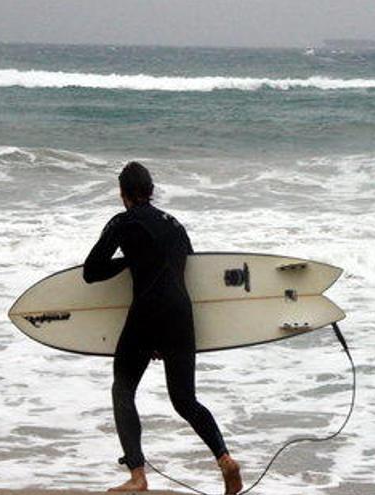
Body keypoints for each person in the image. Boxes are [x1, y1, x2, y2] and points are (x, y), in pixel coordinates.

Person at [83, 162, 242, 494]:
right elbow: (192, 268)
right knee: (185, 400)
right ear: (151, 190)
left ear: (123, 193)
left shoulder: (122, 222)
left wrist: (130, 261)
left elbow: (92, 271)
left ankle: (138, 476)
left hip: (146, 313)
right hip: (181, 316)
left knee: (123, 388)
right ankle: (225, 459)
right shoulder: (175, 225)